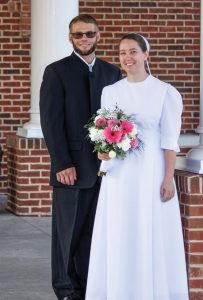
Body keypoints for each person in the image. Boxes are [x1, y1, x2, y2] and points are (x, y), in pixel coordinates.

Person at [85, 33, 189, 300]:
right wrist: (103, 152)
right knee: (119, 228)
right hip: (119, 174)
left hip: (149, 170)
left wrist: (168, 178)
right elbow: (104, 129)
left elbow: (169, 141)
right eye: (122, 53)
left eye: (132, 51)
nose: (127, 58)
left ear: (146, 55)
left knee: (147, 226)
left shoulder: (165, 92)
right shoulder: (111, 91)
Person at [39, 14, 121, 300]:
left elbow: (116, 118)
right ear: (70, 38)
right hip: (71, 168)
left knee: (93, 233)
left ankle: (88, 287)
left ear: (98, 35)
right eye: (78, 35)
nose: (84, 39)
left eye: (89, 33)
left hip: (105, 168)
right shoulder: (56, 71)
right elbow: (51, 121)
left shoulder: (112, 73)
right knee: (67, 234)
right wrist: (62, 163)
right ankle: (64, 289)